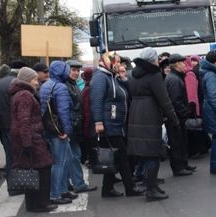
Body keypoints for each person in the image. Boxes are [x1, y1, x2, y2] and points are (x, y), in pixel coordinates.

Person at [91, 52, 147, 198]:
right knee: (122, 157)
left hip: (116, 124)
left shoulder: (111, 77)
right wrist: (98, 122)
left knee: (114, 156)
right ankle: (130, 188)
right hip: (109, 125)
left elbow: (127, 93)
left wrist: (123, 78)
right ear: (106, 62)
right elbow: (96, 101)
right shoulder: (100, 78)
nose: (119, 65)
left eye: (120, 63)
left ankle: (107, 189)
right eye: (116, 62)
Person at [126, 47, 180, 199]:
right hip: (149, 115)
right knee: (153, 153)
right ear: (153, 60)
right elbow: (164, 99)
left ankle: (152, 185)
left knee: (145, 152)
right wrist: (173, 118)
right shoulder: (154, 74)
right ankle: (151, 190)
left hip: (136, 113)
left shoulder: (133, 74)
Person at [9, 67, 57, 213]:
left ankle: (33, 203)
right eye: (35, 79)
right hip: (31, 138)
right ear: (27, 80)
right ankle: (42, 203)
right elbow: (24, 120)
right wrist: (27, 143)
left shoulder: (21, 94)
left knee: (32, 169)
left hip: (27, 137)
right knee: (43, 168)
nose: (37, 82)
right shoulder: (25, 95)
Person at [40, 61, 74, 205]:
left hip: (48, 129)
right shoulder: (60, 87)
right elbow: (63, 111)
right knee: (60, 162)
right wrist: (66, 130)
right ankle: (56, 193)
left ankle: (63, 189)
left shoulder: (46, 85)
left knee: (67, 159)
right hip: (58, 131)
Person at [65, 60, 97, 195]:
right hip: (72, 127)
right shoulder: (66, 86)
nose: (76, 73)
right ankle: (78, 184)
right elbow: (67, 109)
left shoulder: (73, 85)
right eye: (73, 70)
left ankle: (70, 183)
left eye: (78, 70)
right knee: (74, 156)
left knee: (72, 156)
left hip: (75, 126)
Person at [164, 53, 195, 176]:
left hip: (177, 116)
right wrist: (184, 113)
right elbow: (176, 100)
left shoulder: (175, 77)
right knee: (176, 142)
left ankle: (183, 164)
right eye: (182, 62)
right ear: (177, 64)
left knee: (181, 141)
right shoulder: (174, 79)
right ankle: (178, 167)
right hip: (175, 118)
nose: (184, 64)